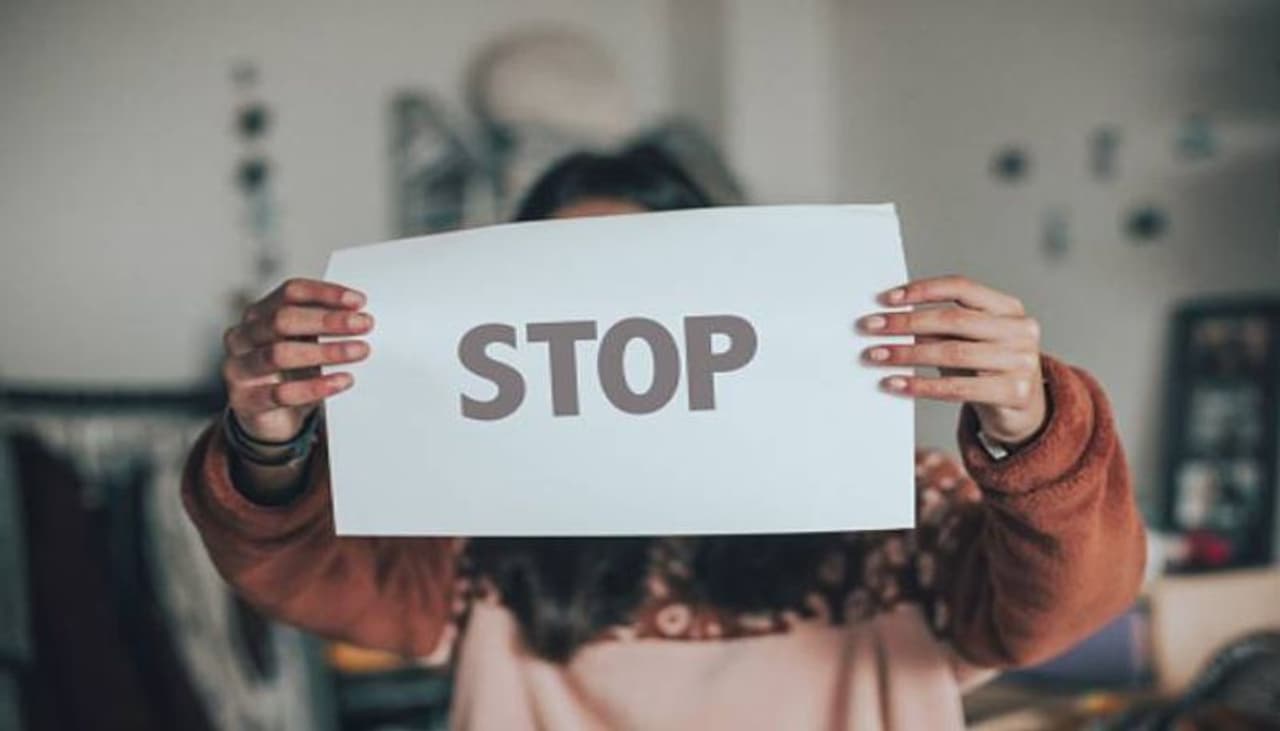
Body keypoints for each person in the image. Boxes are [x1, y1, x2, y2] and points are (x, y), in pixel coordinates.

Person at [184, 145, 1146, 730]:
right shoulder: (475, 527)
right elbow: (303, 576)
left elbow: (1069, 604)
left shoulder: (894, 503)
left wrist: (1031, 422)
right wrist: (270, 439)